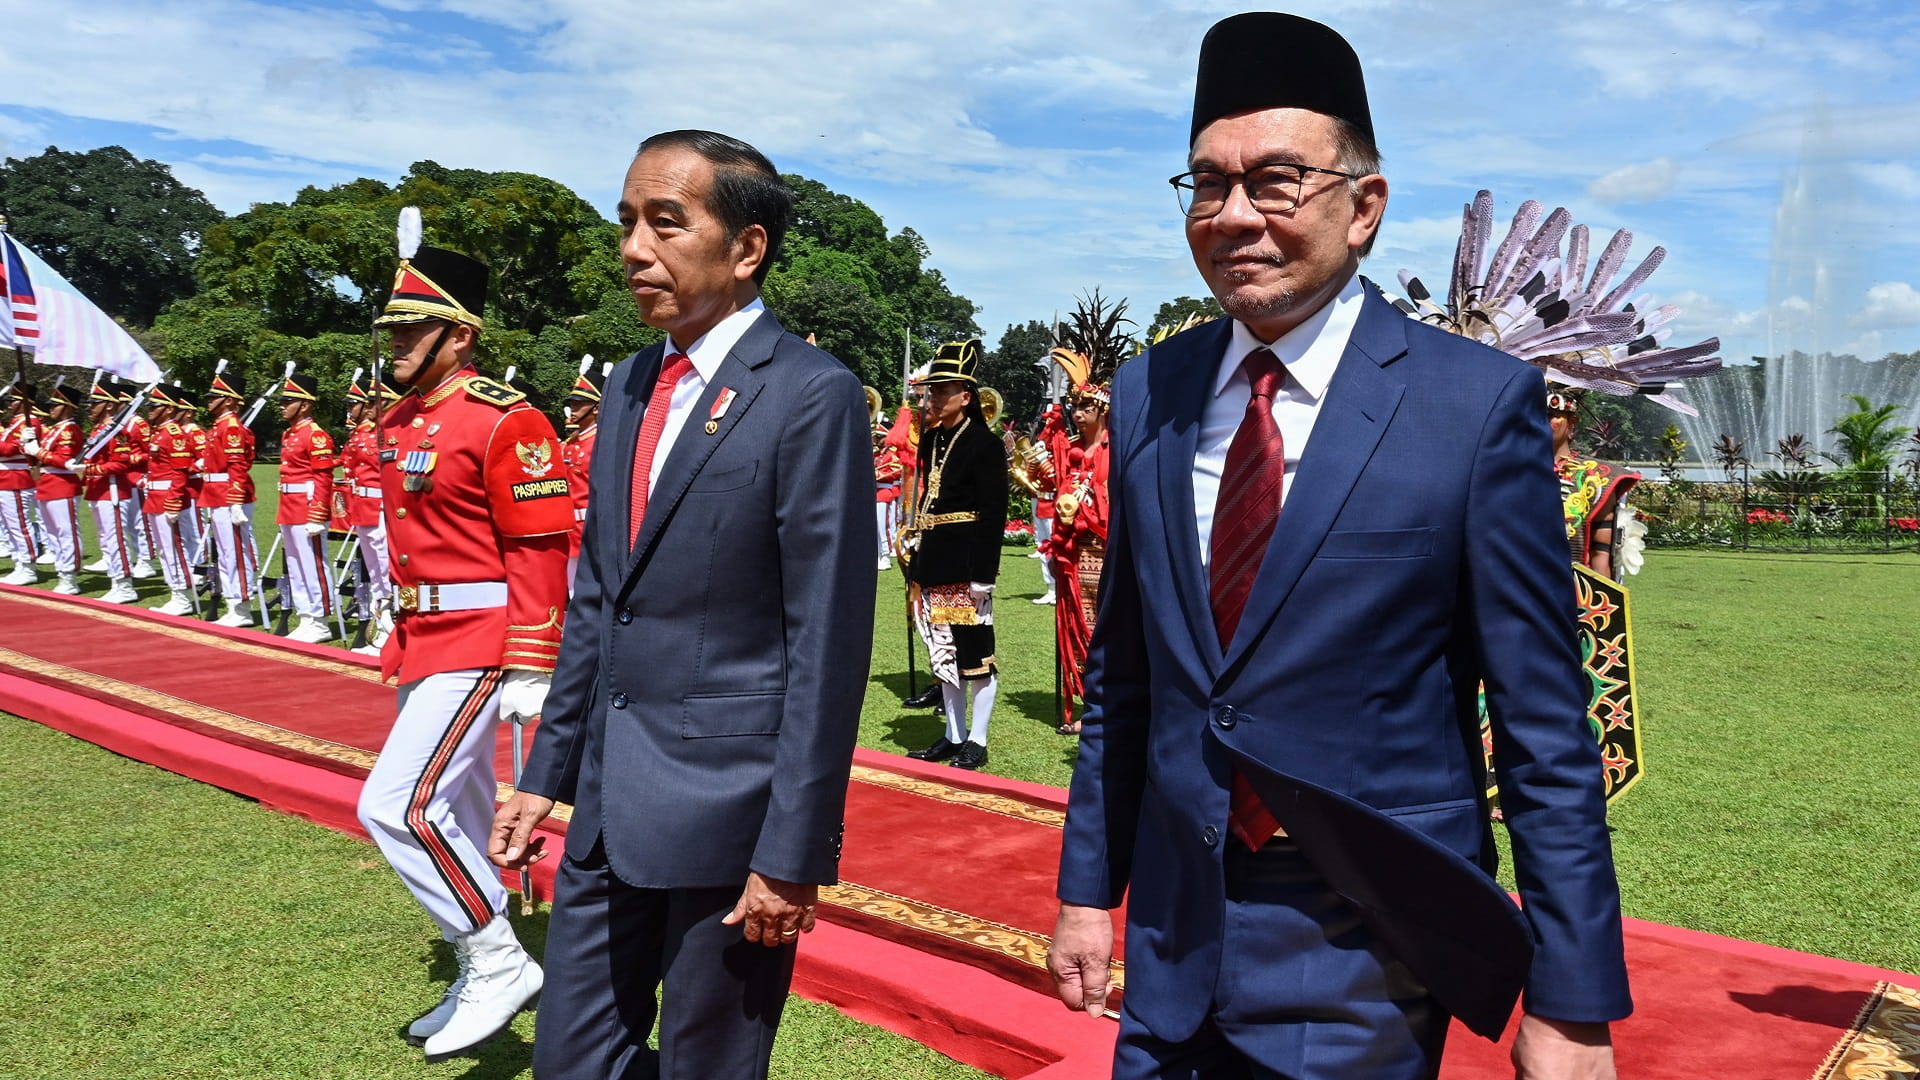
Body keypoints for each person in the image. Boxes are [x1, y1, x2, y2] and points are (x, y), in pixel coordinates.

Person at [1047, 13, 1630, 1080]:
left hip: (1366, 935)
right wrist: (1089, 893)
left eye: (1276, 182)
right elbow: (1125, 682)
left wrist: (1573, 1002)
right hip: (1173, 934)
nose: (1235, 217)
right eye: (1206, 185)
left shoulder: (1472, 404)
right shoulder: (1150, 393)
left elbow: (1546, 728)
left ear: (1364, 208)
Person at [489, 129, 873, 1080]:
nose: (632, 248)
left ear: (747, 249)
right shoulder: (628, 382)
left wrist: (793, 851)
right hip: (606, 808)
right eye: (626, 222)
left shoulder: (811, 394)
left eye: (666, 222)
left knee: (708, 1066)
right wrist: (550, 770)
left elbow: (826, 641)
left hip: (729, 821)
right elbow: (600, 602)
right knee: (571, 1060)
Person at [354, 231, 572, 1063]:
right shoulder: (405, 416)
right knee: (462, 809)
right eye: (394, 328)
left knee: (398, 807)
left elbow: (540, 549)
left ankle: (498, 962)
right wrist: (398, 611)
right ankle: (482, 952)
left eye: (414, 328)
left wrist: (531, 657)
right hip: (426, 635)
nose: (397, 342)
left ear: (462, 333)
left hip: (484, 640)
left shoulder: (505, 418)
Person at [900, 338, 1007, 771]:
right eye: (932, 389)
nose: (933, 397)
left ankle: (976, 741)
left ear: (966, 396)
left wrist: (984, 574)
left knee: (973, 654)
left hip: (965, 566)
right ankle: (953, 734)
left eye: (943, 390)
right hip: (937, 561)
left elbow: (994, 514)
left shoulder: (984, 444)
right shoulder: (932, 440)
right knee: (943, 651)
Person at [1038, 354, 1111, 736]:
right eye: (1075, 407)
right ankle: (1088, 702)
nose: (1077, 414)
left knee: (1105, 629)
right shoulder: (1071, 456)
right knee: (1078, 627)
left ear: (1102, 410)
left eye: (1086, 407)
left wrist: (1085, 512)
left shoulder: (1112, 453)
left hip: (1104, 554)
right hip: (1071, 555)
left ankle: (1105, 706)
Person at [275, 372, 336, 644]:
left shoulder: (316, 435)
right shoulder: (289, 434)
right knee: (295, 564)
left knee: (313, 564)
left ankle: (320, 619)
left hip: (306, 505)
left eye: (289, 400)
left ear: (305, 405)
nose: (282, 405)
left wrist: (318, 512)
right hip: (289, 505)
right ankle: (306, 615)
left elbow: (324, 476)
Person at [201, 371, 260, 627]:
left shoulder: (231, 427)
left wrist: (235, 501)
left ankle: (242, 606)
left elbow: (237, 466)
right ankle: (232, 601)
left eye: (214, 396)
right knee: (225, 554)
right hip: (216, 494)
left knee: (235, 552)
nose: (208, 401)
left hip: (229, 495)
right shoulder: (220, 426)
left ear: (228, 400)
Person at [339, 378, 394, 651]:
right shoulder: (371, 432)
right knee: (375, 572)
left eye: (375, 401)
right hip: (365, 507)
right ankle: (382, 627)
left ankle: (390, 629)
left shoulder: (391, 433)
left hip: (384, 508)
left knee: (386, 571)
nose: (368, 406)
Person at [79, 379, 142, 604]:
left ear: (108, 405)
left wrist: (89, 468)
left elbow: (121, 464)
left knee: (116, 539)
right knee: (106, 539)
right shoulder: (99, 428)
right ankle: (116, 580)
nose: (90, 406)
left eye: (95, 402)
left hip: (113, 489)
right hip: (98, 489)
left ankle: (125, 585)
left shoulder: (117, 429)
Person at [142, 385, 204, 616]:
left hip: (168, 496)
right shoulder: (160, 432)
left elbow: (180, 472)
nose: (150, 410)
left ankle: (182, 596)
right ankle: (176, 591)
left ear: (168, 409)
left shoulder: (174, 435)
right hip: (156, 495)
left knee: (174, 548)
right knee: (165, 549)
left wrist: (174, 500)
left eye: (155, 406)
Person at [29, 385, 86, 594]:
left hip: (63, 484)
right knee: (53, 532)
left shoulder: (70, 430)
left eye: (56, 405)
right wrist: (26, 444)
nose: (51, 408)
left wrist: (39, 452)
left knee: (66, 531)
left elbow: (66, 459)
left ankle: (70, 574)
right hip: (47, 483)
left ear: (68, 408)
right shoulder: (54, 429)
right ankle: (62, 569)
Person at [559, 365, 603, 589]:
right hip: (568, 529)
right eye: (572, 403)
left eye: (579, 404)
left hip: (591, 529)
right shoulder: (569, 444)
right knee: (572, 592)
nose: (573, 409)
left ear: (596, 408)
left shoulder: (601, 442)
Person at [0, 381, 44, 585]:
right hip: (7, 477)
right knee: (10, 525)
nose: (9, 404)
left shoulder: (30, 422)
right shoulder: (15, 422)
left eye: (13, 400)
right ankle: (20, 562)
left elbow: (9, 450)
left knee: (19, 524)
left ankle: (28, 566)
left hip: (16, 477)